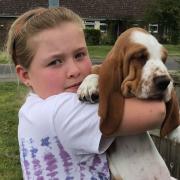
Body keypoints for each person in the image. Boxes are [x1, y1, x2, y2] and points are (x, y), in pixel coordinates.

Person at [6, 7, 166, 179]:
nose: (74, 70)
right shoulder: (61, 111)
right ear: (25, 75)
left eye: (79, 55)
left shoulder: (33, 109)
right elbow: (156, 112)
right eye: (55, 62)